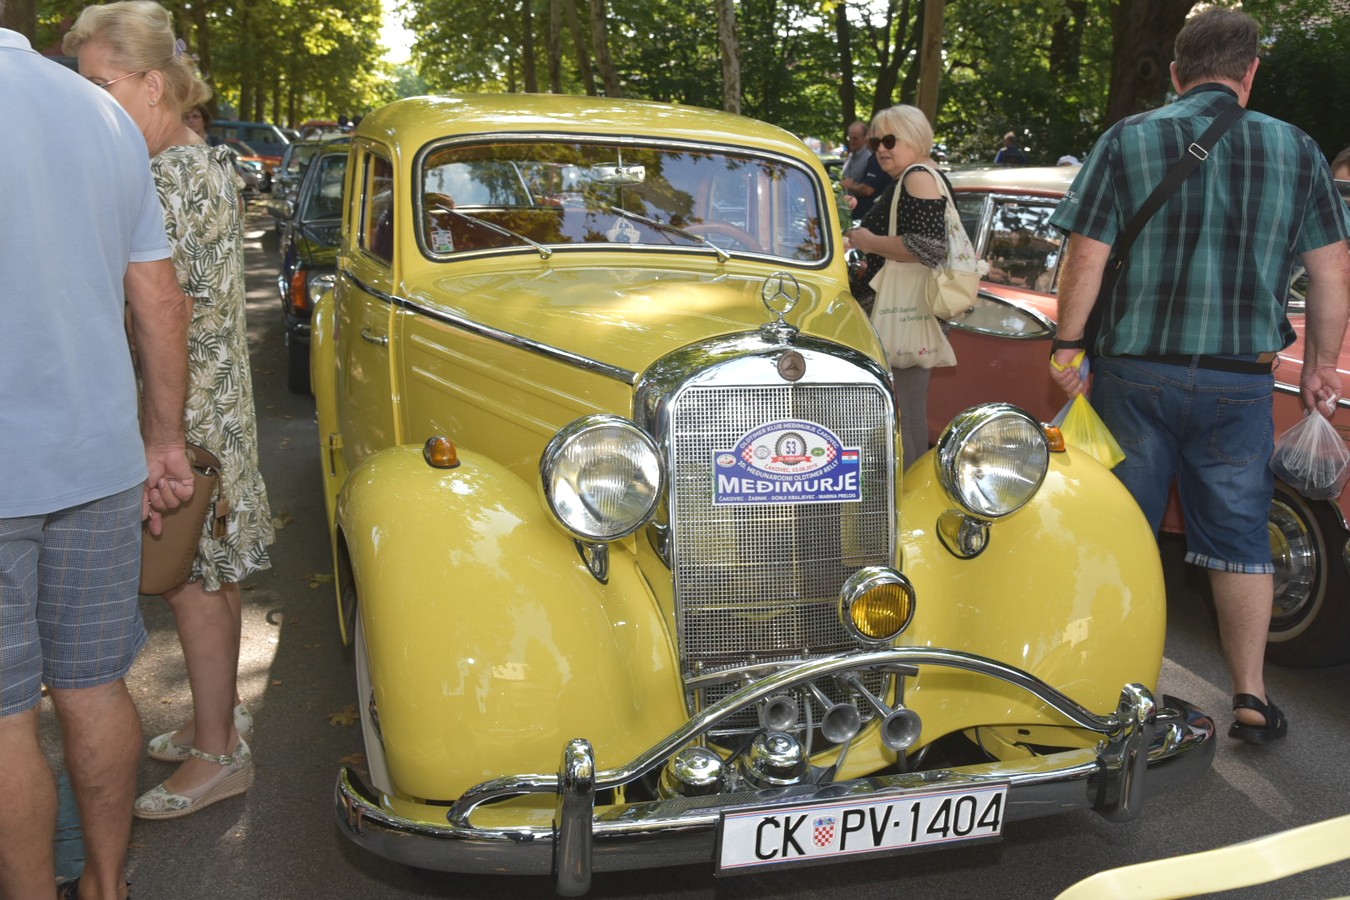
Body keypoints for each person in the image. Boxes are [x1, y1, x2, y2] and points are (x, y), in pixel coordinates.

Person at [1048, 8, 1350, 746]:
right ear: (1250, 73)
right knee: (1242, 541)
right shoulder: (1298, 149)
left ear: (1178, 71)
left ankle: (1118, 692)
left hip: (1136, 375)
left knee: (1123, 532)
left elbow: (1085, 257)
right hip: (1238, 384)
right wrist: (1319, 369)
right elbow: (1331, 273)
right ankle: (1251, 696)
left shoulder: (1127, 138)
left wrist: (1065, 345)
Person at [66, 0, 276, 818]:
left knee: (193, 583)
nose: (90, 100)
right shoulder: (201, 157)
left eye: (101, 83)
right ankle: (213, 717)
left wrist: (161, 430)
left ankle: (220, 754)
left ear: (152, 84)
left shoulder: (161, 176)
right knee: (207, 579)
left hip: (183, 412)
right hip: (209, 404)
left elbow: (161, 309)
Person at [1, 7, 194, 897]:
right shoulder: (98, 111)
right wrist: (163, 439)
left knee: (5, 722)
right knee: (93, 685)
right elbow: (159, 298)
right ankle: (107, 887)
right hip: (100, 462)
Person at [845, 104, 955, 468]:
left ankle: (906, 500)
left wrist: (867, 241)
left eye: (890, 139)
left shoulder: (917, 177)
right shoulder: (920, 175)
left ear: (915, 137)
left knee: (900, 415)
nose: (880, 148)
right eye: (876, 141)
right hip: (908, 308)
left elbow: (929, 247)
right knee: (906, 412)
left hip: (902, 310)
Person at [840, 119, 890, 219]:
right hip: (850, 211)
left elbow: (867, 189)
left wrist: (850, 186)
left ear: (865, 138)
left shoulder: (871, 158)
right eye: (850, 138)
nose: (852, 142)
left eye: (855, 138)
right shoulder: (851, 156)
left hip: (866, 214)